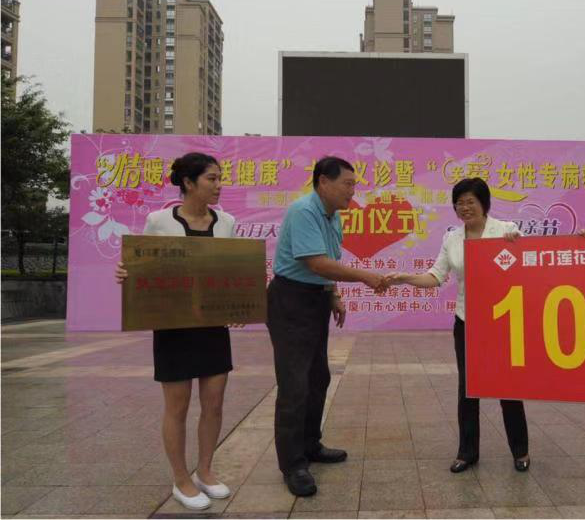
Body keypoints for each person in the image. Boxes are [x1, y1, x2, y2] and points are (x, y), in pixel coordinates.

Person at [115, 152, 237, 510]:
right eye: (211, 178)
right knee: (177, 407)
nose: (218, 185)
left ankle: (205, 471)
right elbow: (141, 265)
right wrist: (125, 273)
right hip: (172, 326)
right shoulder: (158, 220)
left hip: (212, 325)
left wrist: (240, 302)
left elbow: (230, 270)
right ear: (188, 182)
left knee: (214, 404)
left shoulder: (227, 222)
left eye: (220, 178)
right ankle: (181, 479)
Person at [386, 177, 531, 473]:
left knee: (508, 386)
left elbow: (532, 259)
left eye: (470, 202)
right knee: (468, 387)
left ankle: (520, 451)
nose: (464, 208)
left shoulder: (506, 230)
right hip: (467, 320)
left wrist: (519, 244)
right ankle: (467, 452)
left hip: (503, 319)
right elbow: (435, 276)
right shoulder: (452, 238)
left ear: (484, 204)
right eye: (459, 203)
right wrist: (404, 278)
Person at [267, 156, 389, 497]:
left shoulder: (333, 216)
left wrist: (333, 295)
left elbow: (329, 262)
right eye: (347, 184)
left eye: (354, 185)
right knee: (294, 384)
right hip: (291, 300)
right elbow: (316, 263)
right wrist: (365, 276)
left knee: (317, 376)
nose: (353, 191)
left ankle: (310, 445)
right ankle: (292, 464)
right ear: (323, 181)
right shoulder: (304, 211)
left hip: (315, 299)